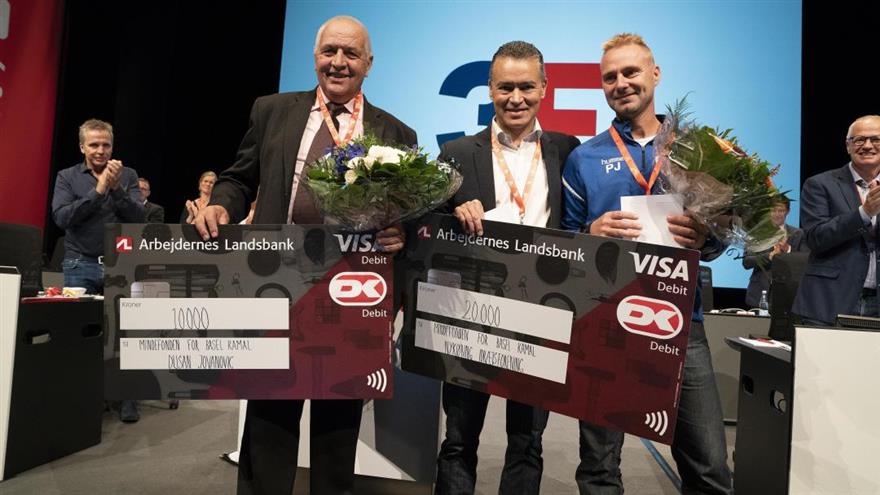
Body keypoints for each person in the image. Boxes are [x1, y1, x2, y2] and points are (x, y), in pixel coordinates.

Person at [192, 15, 416, 495]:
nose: (338, 62)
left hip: (352, 295)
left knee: (337, 431)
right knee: (269, 420)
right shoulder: (271, 111)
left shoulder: (398, 133)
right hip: (278, 284)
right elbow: (238, 178)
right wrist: (220, 205)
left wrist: (402, 232)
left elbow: (409, 219)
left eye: (350, 54)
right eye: (329, 51)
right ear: (314, 56)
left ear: (369, 64)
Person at [560, 33, 732, 494]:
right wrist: (590, 235)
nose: (621, 83)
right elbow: (563, 241)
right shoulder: (584, 157)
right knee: (598, 466)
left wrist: (704, 237)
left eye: (631, 72)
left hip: (681, 322)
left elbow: (719, 236)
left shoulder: (700, 150)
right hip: (605, 322)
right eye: (610, 77)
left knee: (710, 466)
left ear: (655, 75)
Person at [433, 41, 580, 495]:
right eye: (505, 87)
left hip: (541, 315)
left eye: (526, 87)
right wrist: (454, 209)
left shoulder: (568, 149)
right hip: (472, 312)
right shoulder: (455, 152)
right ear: (490, 89)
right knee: (458, 440)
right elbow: (426, 231)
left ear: (544, 89)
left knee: (527, 440)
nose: (515, 97)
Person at [51, 118, 144, 423]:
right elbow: (62, 218)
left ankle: (127, 397)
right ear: (82, 147)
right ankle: (83, 397)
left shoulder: (127, 175)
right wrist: (98, 191)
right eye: (94, 144)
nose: (101, 150)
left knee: (126, 334)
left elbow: (138, 217)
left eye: (106, 145)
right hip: (80, 263)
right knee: (80, 336)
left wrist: (115, 189)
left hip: (121, 264)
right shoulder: (67, 177)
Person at [793, 115, 880, 324]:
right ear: (848, 146)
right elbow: (815, 237)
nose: (867, 145)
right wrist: (864, 213)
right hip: (828, 301)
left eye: (876, 139)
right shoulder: (820, 184)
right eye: (859, 139)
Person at [742, 197, 807, 308]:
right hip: (759, 294)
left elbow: (805, 261)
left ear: (788, 212)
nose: (777, 214)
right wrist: (769, 257)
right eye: (773, 210)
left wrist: (788, 251)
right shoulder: (756, 233)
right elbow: (746, 262)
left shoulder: (798, 234)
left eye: (780, 210)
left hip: (788, 295)